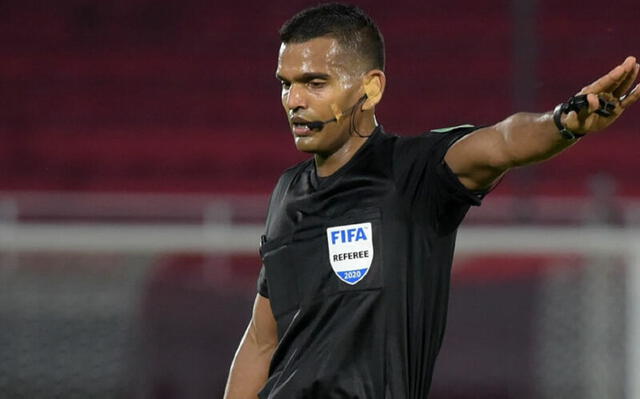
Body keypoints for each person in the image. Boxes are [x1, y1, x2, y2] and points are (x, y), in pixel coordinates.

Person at [224, 3, 639, 398]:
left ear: (370, 89)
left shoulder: (412, 173)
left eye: (315, 83)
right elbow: (263, 339)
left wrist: (562, 122)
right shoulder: (287, 193)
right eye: (286, 84)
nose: (294, 101)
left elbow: (502, 143)